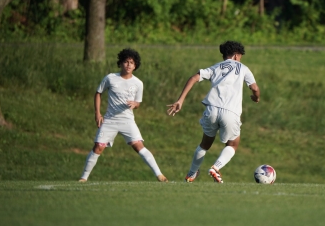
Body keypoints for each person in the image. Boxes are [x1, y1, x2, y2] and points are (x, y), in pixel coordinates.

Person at [167, 41, 260, 183]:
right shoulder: (243, 68)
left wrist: (180, 100)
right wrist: (256, 97)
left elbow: (194, 78)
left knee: (205, 144)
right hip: (231, 112)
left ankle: (191, 174)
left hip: (212, 109)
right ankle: (215, 168)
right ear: (236, 56)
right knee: (233, 144)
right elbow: (254, 88)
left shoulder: (216, 67)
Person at [79, 48, 168, 182]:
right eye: (126, 62)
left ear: (135, 65)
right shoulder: (110, 78)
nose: (128, 65)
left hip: (127, 121)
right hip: (109, 120)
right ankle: (83, 178)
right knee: (98, 147)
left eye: (131, 62)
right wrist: (97, 113)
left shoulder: (138, 83)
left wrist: (135, 104)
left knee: (138, 146)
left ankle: (160, 175)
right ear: (120, 63)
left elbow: (138, 103)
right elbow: (98, 93)